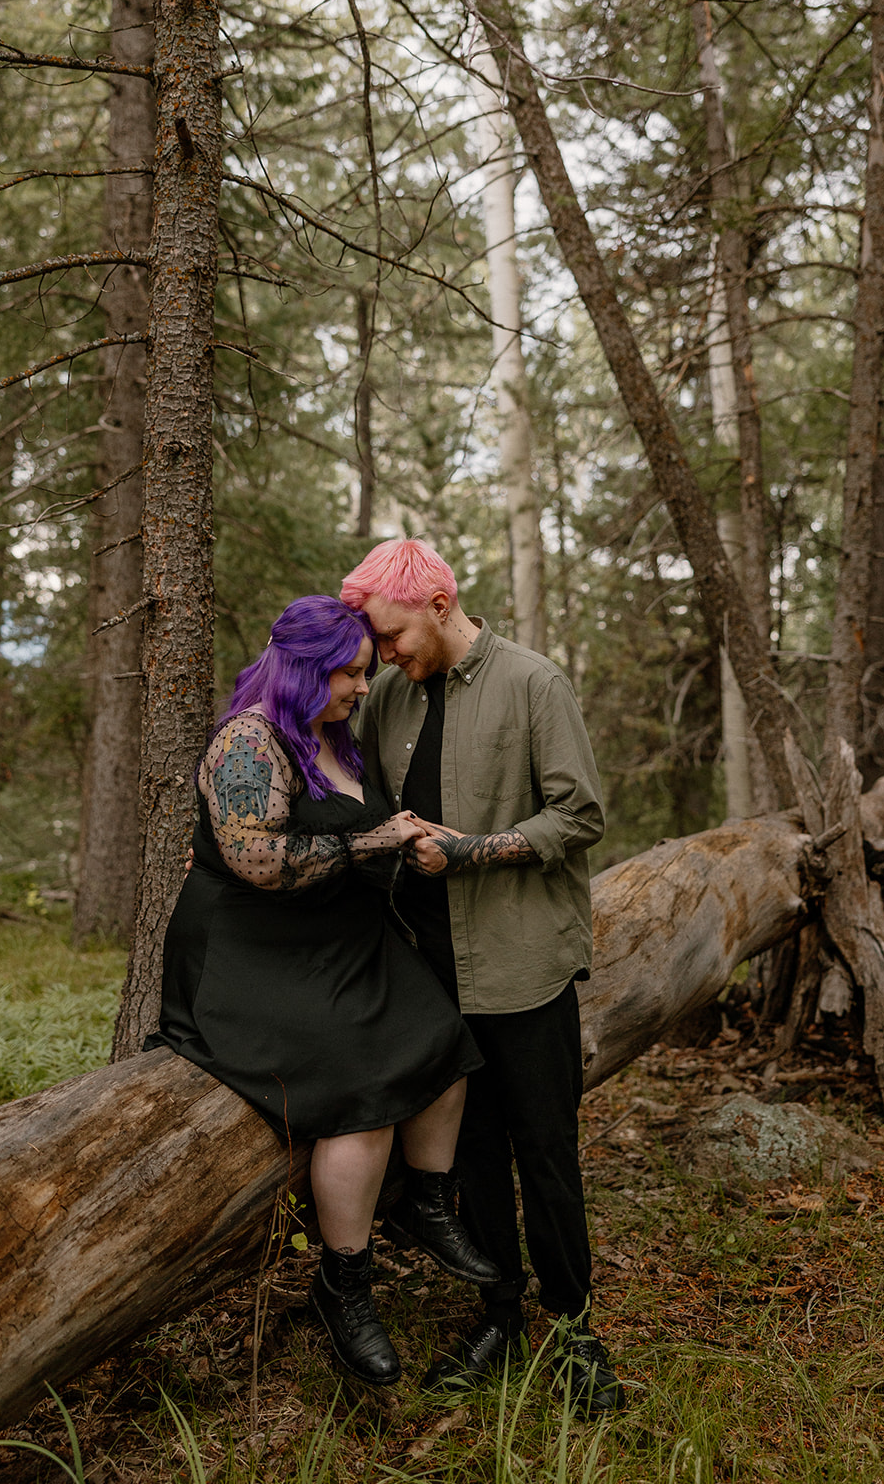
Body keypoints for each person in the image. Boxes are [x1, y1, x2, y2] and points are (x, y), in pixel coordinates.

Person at [146, 595, 500, 1388]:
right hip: (251, 955)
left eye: (364, 673)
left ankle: (428, 1204)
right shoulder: (248, 743)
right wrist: (382, 835)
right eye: (348, 674)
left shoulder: (330, 736)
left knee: (443, 1038)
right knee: (359, 1088)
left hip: (337, 942)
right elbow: (262, 863)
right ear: (304, 671)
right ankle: (345, 1285)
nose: (361, 688)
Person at [340, 540, 624, 1414]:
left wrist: (466, 850)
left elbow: (580, 814)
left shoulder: (532, 683)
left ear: (437, 601)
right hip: (428, 975)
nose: (385, 655)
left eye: (392, 635)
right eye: (376, 643)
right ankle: (498, 1312)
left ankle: (574, 1328)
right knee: (470, 1160)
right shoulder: (387, 695)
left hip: (520, 965)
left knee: (544, 1151)